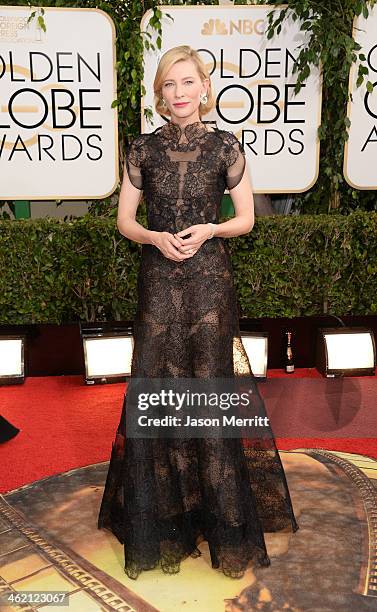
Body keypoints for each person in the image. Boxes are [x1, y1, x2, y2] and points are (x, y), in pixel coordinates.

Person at [98, 45, 298, 580]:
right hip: (159, 280)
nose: (180, 93)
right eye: (170, 84)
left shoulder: (226, 147)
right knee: (158, 387)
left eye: (188, 83)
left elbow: (247, 219)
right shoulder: (141, 149)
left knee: (209, 391)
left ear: (204, 88)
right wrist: (154, 238)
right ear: (160, 93)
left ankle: (224, 521)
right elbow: (124, 222)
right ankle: (164, 520)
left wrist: (211, 228)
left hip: (210, 281)